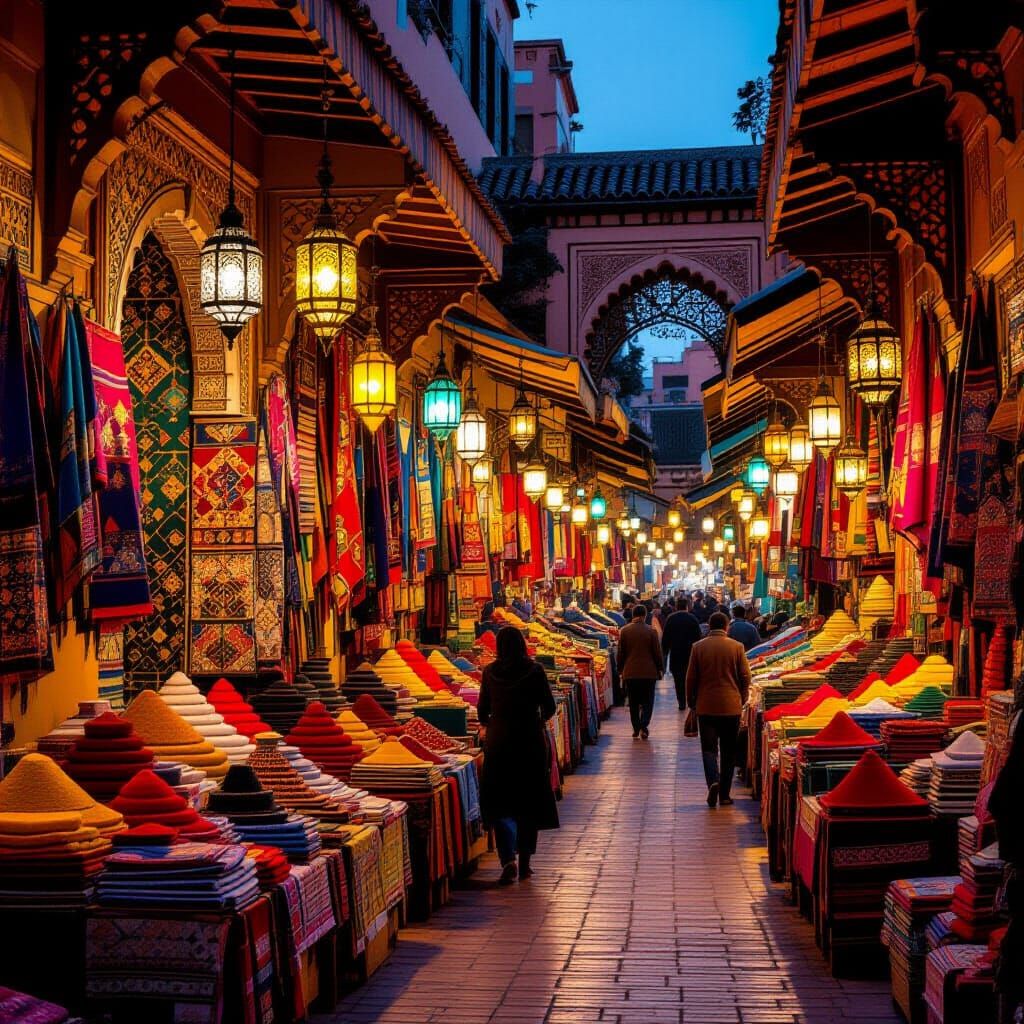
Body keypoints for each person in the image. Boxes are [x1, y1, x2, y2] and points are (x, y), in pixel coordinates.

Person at [478, 626, 560, 884]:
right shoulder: (535, 671)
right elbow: (549, 706)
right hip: (529, 742)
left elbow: (482, 712)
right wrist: (535, 720)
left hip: (499, 742)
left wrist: (495, 722)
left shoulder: (489, 672)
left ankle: (507, 859)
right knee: (528, 801)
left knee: (501, 801)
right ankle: (524, 861)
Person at [685, 610, 751, 808]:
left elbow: (691, 678)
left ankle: (713, 780)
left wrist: (691, 702)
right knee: (729, 751)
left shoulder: (698, 647)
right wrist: (743, 696)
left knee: (709, 749)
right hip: (731, 706)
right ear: (726, 626)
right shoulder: (736, 647)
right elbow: (745, 676)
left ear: (709, 626)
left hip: (706, 706)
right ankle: (724, 794)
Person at [616, 604, 664, 739]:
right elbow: (657, 653)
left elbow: (621, 653)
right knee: (648, 701)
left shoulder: (624, 631)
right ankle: (644, 725)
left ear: (633, 615)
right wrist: (660, 668)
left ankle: (636, 727)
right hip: (649, 673)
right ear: (644, 615)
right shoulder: (651, 631)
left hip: (630, 673)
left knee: (633, 701)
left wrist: (620, 669)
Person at [661, 596, 702, 711]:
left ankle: (681, 702)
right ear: (687, 606)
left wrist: (665, 652)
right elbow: (698, 638)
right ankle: (691, 701)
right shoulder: (692, 619)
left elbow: (665, 638)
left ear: (676, 607)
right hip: (690, 655)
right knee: (691, 678)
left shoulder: (671, 619)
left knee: (678, 680)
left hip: (676, 655)